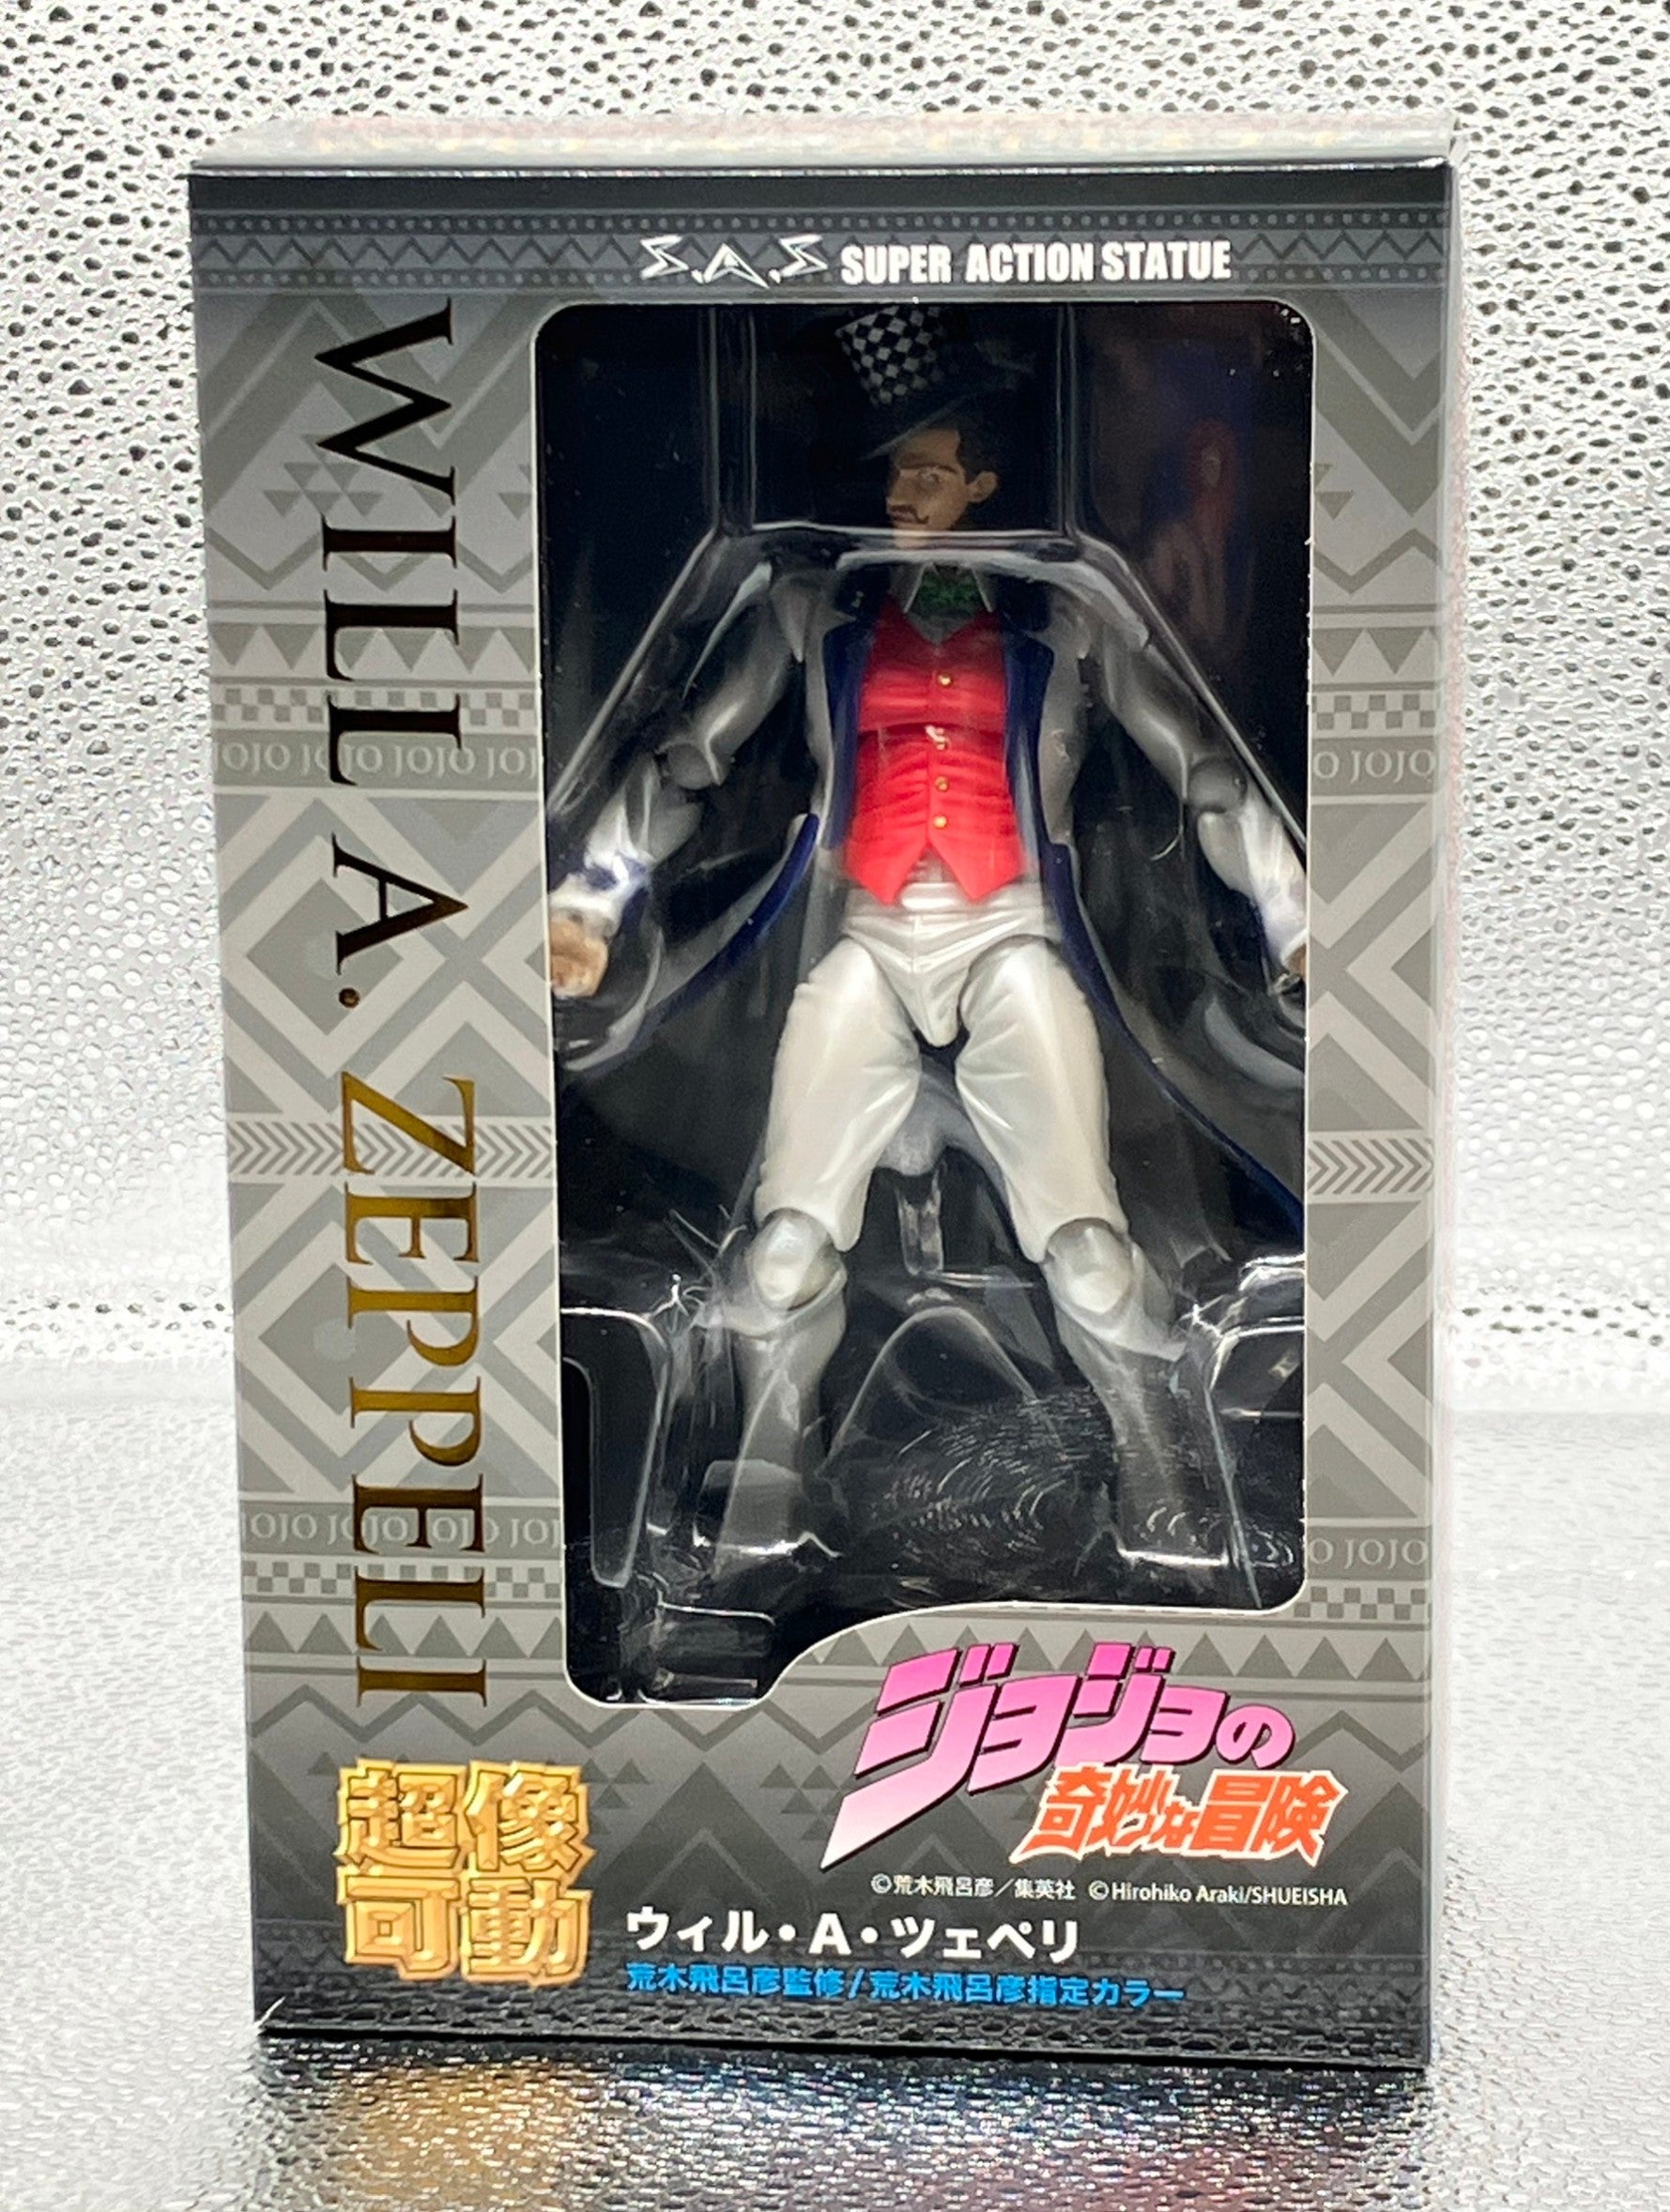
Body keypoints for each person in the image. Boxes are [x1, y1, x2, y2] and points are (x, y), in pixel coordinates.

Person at [547, 383, 1306, 1572]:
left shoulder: (1067, 617)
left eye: (931, 472)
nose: (902, 492)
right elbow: (690, 754)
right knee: (783, 1247)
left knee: (1088, 1245)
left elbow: (1202, 767)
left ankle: (1161, 1480)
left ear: (985, 488)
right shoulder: (813, 608)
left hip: (1011, 937)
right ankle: (760, 1501)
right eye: (896, 470)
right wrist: (589, 902)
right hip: (867, 935)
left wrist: (1294, 915)